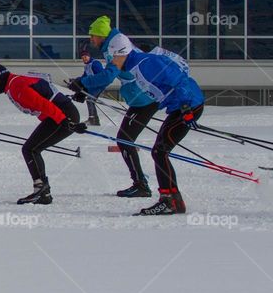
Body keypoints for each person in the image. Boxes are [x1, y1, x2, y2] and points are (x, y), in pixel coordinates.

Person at [72, 40, 205, 215]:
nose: (111, 62)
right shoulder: (134, 66)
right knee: (160, 152)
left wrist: (187, 107)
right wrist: (86, 90)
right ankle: (173, 201)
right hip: (179, 108)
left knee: (160, 152)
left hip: (187, 106)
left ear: (121, 54)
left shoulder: (146, 63)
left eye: (113, 58)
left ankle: (170, 201)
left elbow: (179, 79)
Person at [67, 16, 158, 198]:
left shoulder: (119, 42)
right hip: (140, 99)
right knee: (124, 139)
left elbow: (108, 76)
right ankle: (140, 183)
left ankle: (141, 185)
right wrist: (85, 90)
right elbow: (106, 77)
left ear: (101, 35)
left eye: (93, 36)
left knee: (124, 139)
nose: (91, 40)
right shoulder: (111, 45)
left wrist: (83, 83)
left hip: (146, 97)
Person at [0, 63, 82, 205]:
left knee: (30, 149)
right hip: (60, 115)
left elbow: (44, 105)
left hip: (62, 115)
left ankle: (42, 192)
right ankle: (43, 191)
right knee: (31, 148)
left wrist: (65, 121)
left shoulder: (16, 86)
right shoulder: (14, 83)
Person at [79, 48, 102, 126]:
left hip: (98, 86)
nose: (84, 59)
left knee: (90, 100)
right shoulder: (87, 66)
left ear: (89, 56)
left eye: (85, 57)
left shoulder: (95, 63)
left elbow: (101, 75)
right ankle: (95, 120)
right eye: (82, 58)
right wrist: (77, 80)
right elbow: (85, 76)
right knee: (90, 100)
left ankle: (92, 119)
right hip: (92, 87)